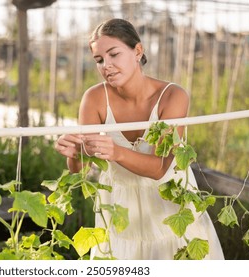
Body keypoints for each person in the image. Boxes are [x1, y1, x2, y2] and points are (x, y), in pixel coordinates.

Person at [54, 18, 224, 260]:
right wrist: (75, 154)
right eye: (99, 60)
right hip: (120, 210)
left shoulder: (172, 96)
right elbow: (80, 171)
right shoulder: (94, 98)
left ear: (137, 51)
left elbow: (160, 168)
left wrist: (115, 152)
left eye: (114, 54)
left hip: (169, 204)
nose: (106, 66)